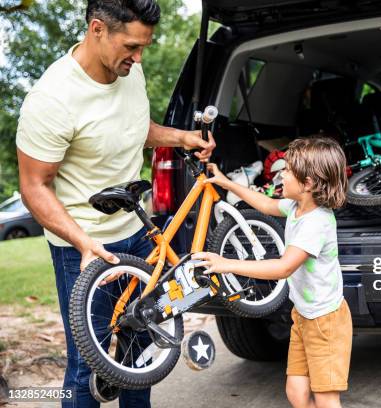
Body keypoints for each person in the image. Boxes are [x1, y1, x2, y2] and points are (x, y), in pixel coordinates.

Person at [15, 0, 215, 406]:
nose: (138, 57)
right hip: (83, 248)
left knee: (141, 354)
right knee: (89, 366)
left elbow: (135, 128)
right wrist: (84, 243)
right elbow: (35, 186)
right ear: (97, 30)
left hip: (138, 235)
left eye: (144, 47)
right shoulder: (52, 99)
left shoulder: (130, 70)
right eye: (131, 47)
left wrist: (184, 138)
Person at [193, 137, 353, 408]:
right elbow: (266, 205)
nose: (281, 174)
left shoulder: (316, 223)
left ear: (309, 184)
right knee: (296, 393)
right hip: (304, 316)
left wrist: (226, 263)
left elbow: (283, 267)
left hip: (326, 322)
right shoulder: (296, 207)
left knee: (326, 400)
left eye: (288, 171)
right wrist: (226, 182)